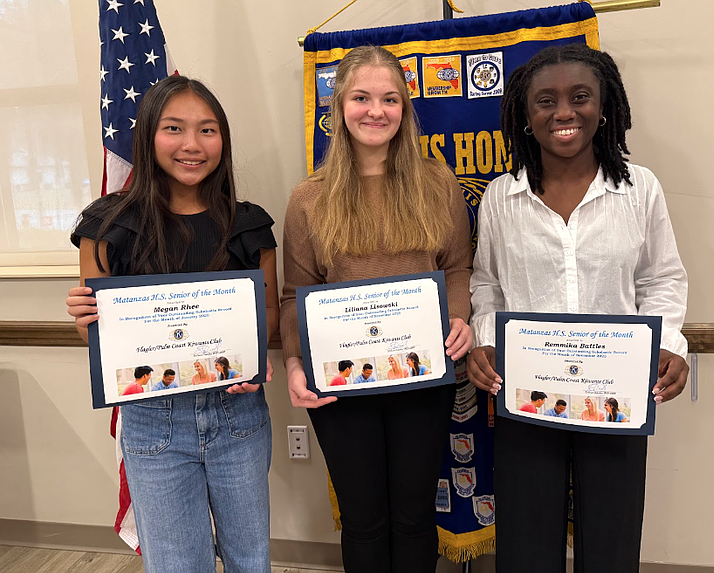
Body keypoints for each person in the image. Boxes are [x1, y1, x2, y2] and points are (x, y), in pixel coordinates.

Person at [467, 44, 689, 573]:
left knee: (611, 539)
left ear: (604, 106)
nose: (563, 112)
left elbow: (661, 279)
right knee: (525, 541)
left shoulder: (640, 189)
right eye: (546, 100)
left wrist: (669, 346)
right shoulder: (501, 197)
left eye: (579, 97)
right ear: (525, 116)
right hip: (527, 391)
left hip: (617, 392)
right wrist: (484, 338)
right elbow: (487, 284)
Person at [64, 75, 279, 573]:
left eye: (207, 130)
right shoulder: (106, 226)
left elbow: (267, 316)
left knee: (251, 560)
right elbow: (95, 336)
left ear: (222, 140)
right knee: (177, 564)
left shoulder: (249, 225)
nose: (191, 145)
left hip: (237, 416)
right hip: (152, 420)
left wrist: (253, 354)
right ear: (148, 137)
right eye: (174, 128)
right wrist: (85, 317)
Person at [280, 45, 472, 573]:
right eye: (361, 97)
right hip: (341, 387)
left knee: (413, 518)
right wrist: (295, 364)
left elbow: (458, 266)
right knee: (364, 521)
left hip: (422, 377)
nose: (376, 110)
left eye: (390, 99)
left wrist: (458, 319)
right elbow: (295, 294)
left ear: (405, 109)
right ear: (338, 106)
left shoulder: (437, 183)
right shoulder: (308, 199)